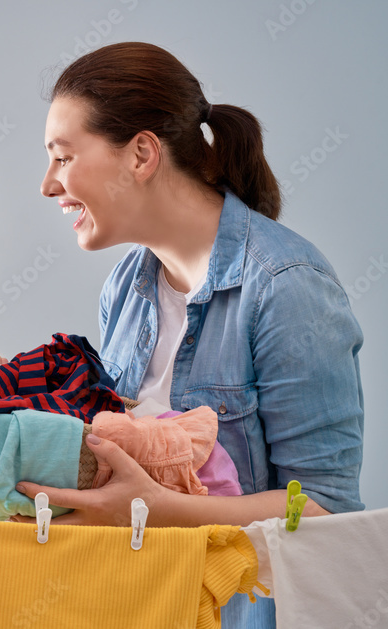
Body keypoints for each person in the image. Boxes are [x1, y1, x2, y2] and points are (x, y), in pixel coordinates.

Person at [22, 42, 364, 627]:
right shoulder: (126, 285)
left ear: (142, 153)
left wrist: (162, 510)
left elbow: (324, 508)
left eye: (63, 156)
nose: (48, 185)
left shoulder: (286, 286)